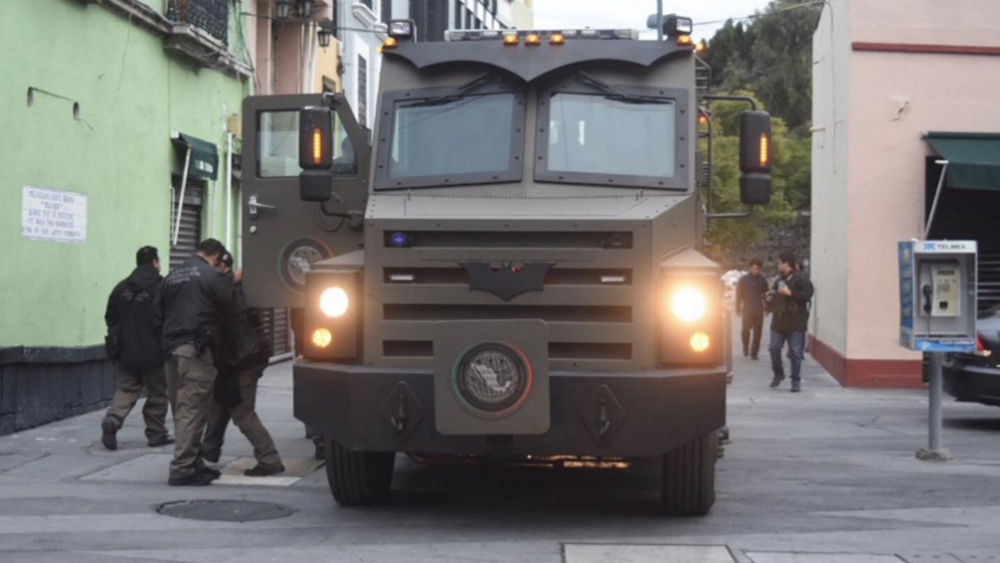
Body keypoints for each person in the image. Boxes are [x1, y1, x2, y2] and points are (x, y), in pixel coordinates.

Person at [202, 253, 285, 476]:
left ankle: (270, 459)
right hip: (237, 357)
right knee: (219, 402)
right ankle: (208, 452)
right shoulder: (234, 287)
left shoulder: (233, 290)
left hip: (244, 358)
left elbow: (232, 320)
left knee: (242, 412)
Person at [161, 239, 234, 486]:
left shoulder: (172, 275)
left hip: (171, 350)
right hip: (196, 349)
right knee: (193, 409)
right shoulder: (211, 276)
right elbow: (228, 311)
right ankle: (182, 468)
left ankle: (194, 462)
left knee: (183, 407)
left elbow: (156, 312)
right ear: (215, 256)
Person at [101, 246, 172, 450]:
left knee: (126, 388)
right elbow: (167, 318)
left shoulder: (121, 287)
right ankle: (156, 433)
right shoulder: (162, 287)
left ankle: (113, 420)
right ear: (155, 263)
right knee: (157, 393)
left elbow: (110, 317)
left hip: (125, 351)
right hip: (155, 352)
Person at [765, 252, 814, 393]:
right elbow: (774, 293)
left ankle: (795, 380)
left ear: (787, 264)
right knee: (774, 348)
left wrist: (790, 294)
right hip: (779, 320)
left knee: (795, 352)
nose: (778, 265)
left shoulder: (801, 278)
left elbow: (808, 294)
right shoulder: (779, 279)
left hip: (795, 321)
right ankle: (778, 374)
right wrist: (769, 298)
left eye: (780, 263)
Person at [735, 259, 769, 360]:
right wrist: (737, 307)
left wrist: (767, 307)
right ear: (750, 268)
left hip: (758, 308)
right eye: (753, 268)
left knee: (757, 332)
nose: (755, 271)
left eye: (757, 269)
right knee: (745, 330)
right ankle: (745, 346)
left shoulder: (763, 280)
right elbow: (739, 295)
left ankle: (754, 353)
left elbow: (766, 295)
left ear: (760, 269)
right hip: (747, 308)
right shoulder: (744, 280)